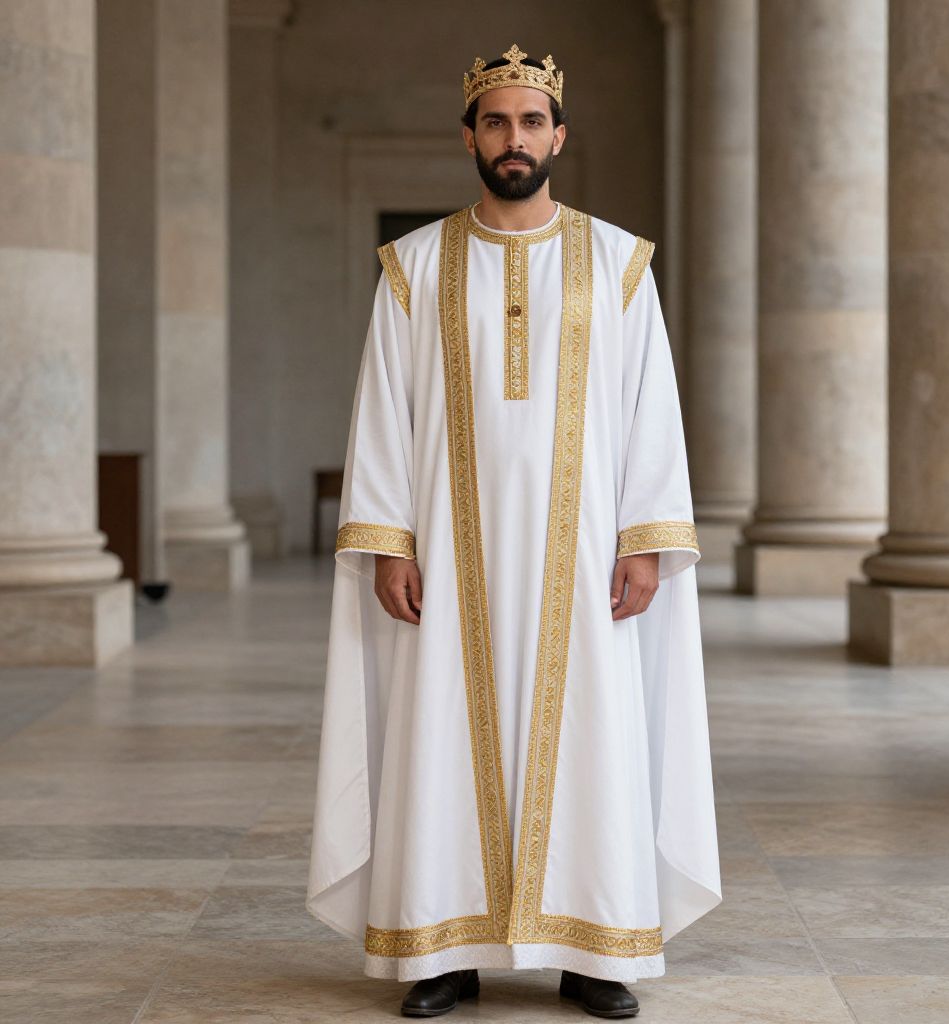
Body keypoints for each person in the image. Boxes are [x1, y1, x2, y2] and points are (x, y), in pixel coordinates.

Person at [306, 43, 721, 1019]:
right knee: (440, 733)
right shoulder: (412, 268)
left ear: (559, 135)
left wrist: (644, 538)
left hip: (583, 562)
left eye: (532, 121)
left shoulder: (619, 264)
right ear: (469, 136)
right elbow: (381, 412)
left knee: (593, 735)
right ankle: (442, 949)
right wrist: (390, 541)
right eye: (496, 121)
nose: (514, 138)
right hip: (452, 560)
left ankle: (594, 947)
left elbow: (648, 406)